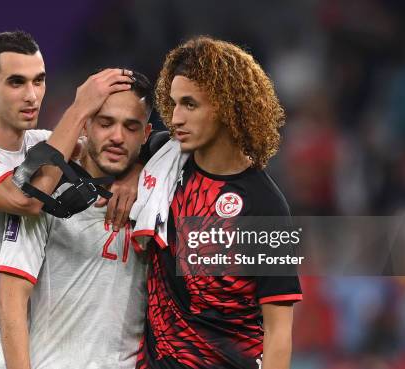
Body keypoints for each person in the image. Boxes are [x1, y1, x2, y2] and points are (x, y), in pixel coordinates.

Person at [0, 30, 137, 369]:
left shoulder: (45, 143)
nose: (32, 95)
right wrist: (80, 108)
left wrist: (133, 175)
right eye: (16, 83)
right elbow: (25, 199)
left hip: (22, 348)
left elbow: (116, 149)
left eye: (39, 81)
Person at [130, 36, 302, 369]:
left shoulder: (264, 205)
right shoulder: (161, 159)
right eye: (174, 103)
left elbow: (279, 333)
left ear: (226, 106)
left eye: (190, 104)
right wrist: (129, 177)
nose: (176, 117)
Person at [0, 72, 154, 369]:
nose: (117, 137)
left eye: (130, 127)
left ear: (145, 135)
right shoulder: (46, 192)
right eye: (105, 123)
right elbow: (10, 299)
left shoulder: (158, 194)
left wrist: (143, 171)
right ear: (85, 125)